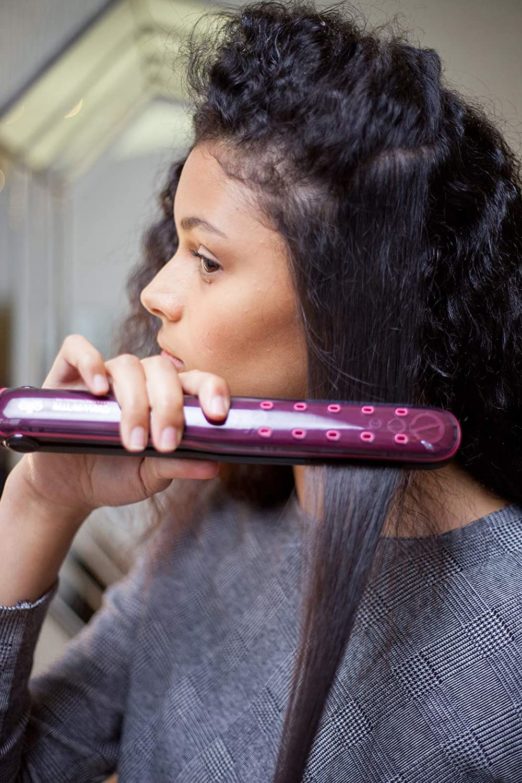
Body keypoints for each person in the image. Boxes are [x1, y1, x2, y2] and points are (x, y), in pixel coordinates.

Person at [1, 1, 521, 780]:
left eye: (206, 260)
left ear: (348, 300)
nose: (156, 294)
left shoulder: (505, 624)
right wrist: (42, 499)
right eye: (175, 245)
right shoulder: (212, 528)